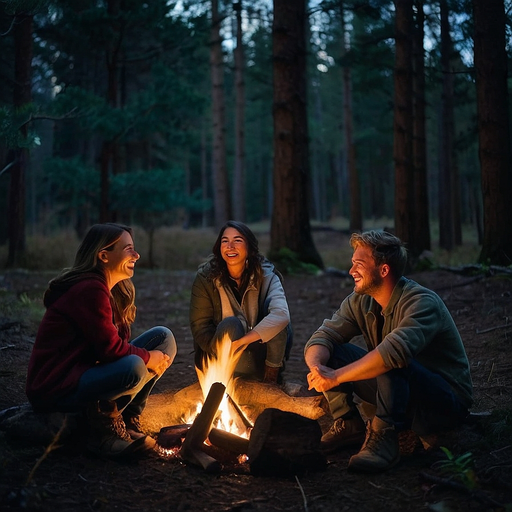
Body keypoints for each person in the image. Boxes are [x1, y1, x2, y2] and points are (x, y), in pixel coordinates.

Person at [305, 230, 473, 473]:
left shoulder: (422, 302)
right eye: (352, 264)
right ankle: (348, 423)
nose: (351, 271)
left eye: (359, 265)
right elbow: (323, 336)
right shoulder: (360, 301)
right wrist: (318, 368)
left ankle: (384, 437)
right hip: (398, 389)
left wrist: (336, 377)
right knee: (333, 351)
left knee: (391, 359)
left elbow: (392, 354)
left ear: (383, 270)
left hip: (443, 400)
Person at [26, 223, 177, 459]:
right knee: (135, 366)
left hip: (83, 374)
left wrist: (150, 356)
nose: (136, 255)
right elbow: (111, 350)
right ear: (104, 255)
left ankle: (127, 420)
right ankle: (102, 434)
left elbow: (113, 346)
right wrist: (149, 358)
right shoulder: (89, 290)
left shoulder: (111, 290)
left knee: (163, 338)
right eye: (128, 249)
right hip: (56, 387)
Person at [190, 220, 291, 384]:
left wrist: (243, 342)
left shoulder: (267, 275)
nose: (230, 246)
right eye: (225, 241)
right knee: (231, 324)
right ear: (219, 247)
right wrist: (221, 352)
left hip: (258, 354)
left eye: (237, 240)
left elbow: (281, 315)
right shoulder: (206, 278)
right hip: (223, 355)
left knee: (276, 322)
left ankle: (271, 380)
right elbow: (200, 327)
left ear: (250, 248)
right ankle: (222, 381)